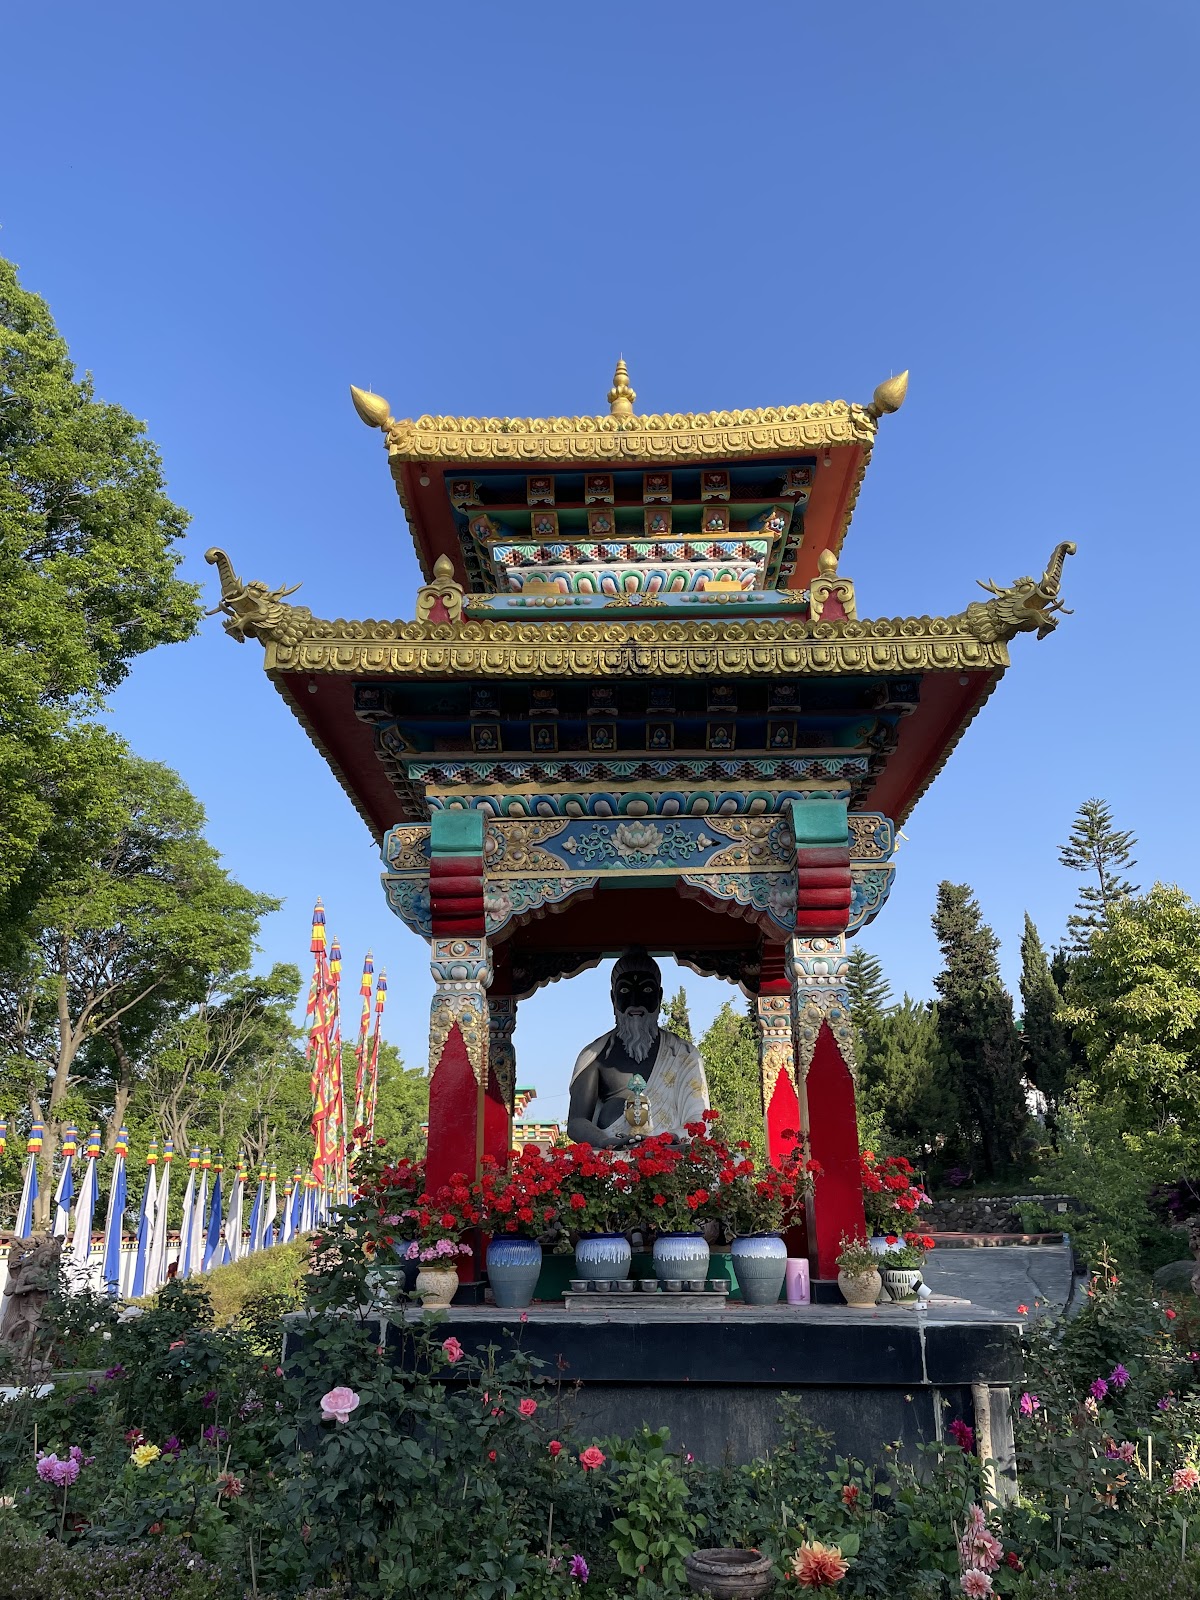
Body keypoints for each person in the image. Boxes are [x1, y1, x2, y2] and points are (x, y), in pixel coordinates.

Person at [566, 949, 710, 1147]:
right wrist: (607, 1142)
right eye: (625, 991)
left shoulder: (683, 1054)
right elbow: (576, 1122)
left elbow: (700, 1121)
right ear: (613, 998)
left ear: (659, 997)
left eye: (647, 991)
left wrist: (662, 1141)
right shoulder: (595, 1056)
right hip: (612, 1153)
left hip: (670, 1152)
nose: (635, 1003)